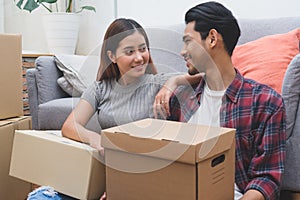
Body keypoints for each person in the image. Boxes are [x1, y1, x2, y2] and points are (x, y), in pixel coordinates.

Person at [27, 18, 198, 200]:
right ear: (112, 56)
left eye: (143, 48)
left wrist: (173, 81)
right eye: (129, 51)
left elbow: (207, 74)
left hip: (149, 177)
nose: (139, 57)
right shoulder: (100, 88)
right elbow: (70, 125)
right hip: (108, 173)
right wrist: (96, 139)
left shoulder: (158, 82)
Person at [154, 2, 286, 200]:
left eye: (188, 41)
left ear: (212, 39)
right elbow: (156, 158)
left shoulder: (266, 103)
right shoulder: (179, 99)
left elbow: (267, 178)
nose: (182, 51)